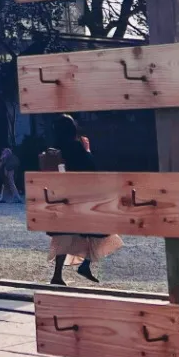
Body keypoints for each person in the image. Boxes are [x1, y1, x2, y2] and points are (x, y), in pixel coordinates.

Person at [42, 114, 122, 286]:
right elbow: (91, 169)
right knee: (100, 228)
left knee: (63, 235)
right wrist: (88, 150)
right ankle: (85, 264)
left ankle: (57, 274)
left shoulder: (53, 150)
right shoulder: (76, 147)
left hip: (60, 199)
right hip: (79, 198)